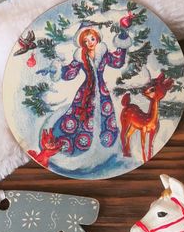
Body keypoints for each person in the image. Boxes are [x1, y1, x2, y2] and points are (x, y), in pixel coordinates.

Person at [50, 26, 129, 157]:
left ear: (97, 38)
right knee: (79, 114)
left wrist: (123, 41)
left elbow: (117, 62)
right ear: (82, 43)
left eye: (92, 39)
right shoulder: (80, 56)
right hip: (85, 91)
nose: (90, 43)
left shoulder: (103, 53)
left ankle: (104, 143)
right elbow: (70, 72)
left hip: (101, 90)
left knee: (104, 113)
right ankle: (79, 142)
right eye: (86, 41)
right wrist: (57, 70)